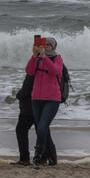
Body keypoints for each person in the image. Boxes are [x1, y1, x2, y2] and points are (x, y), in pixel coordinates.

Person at [25, 37, 62, 167]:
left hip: (52, 99)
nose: (45, 47)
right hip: (36, 98)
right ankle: (51, 157)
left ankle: (38, 157)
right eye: (43, 44)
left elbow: (55, 71)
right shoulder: (37, 58)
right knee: (43, 129)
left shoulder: (57, 58)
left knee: (41, 128)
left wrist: (45, 58)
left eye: (48, 45)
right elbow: (29, 71)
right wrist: (34, 56)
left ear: (53, 47)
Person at [10, 75, 35, 166]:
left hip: (29, 107)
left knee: (21, 130)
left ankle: (24, 159)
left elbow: (27, 89)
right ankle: (49, 157)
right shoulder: (47, 65)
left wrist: (19, 95)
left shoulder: (34, 70)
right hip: (41, 104)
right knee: (42, 131)